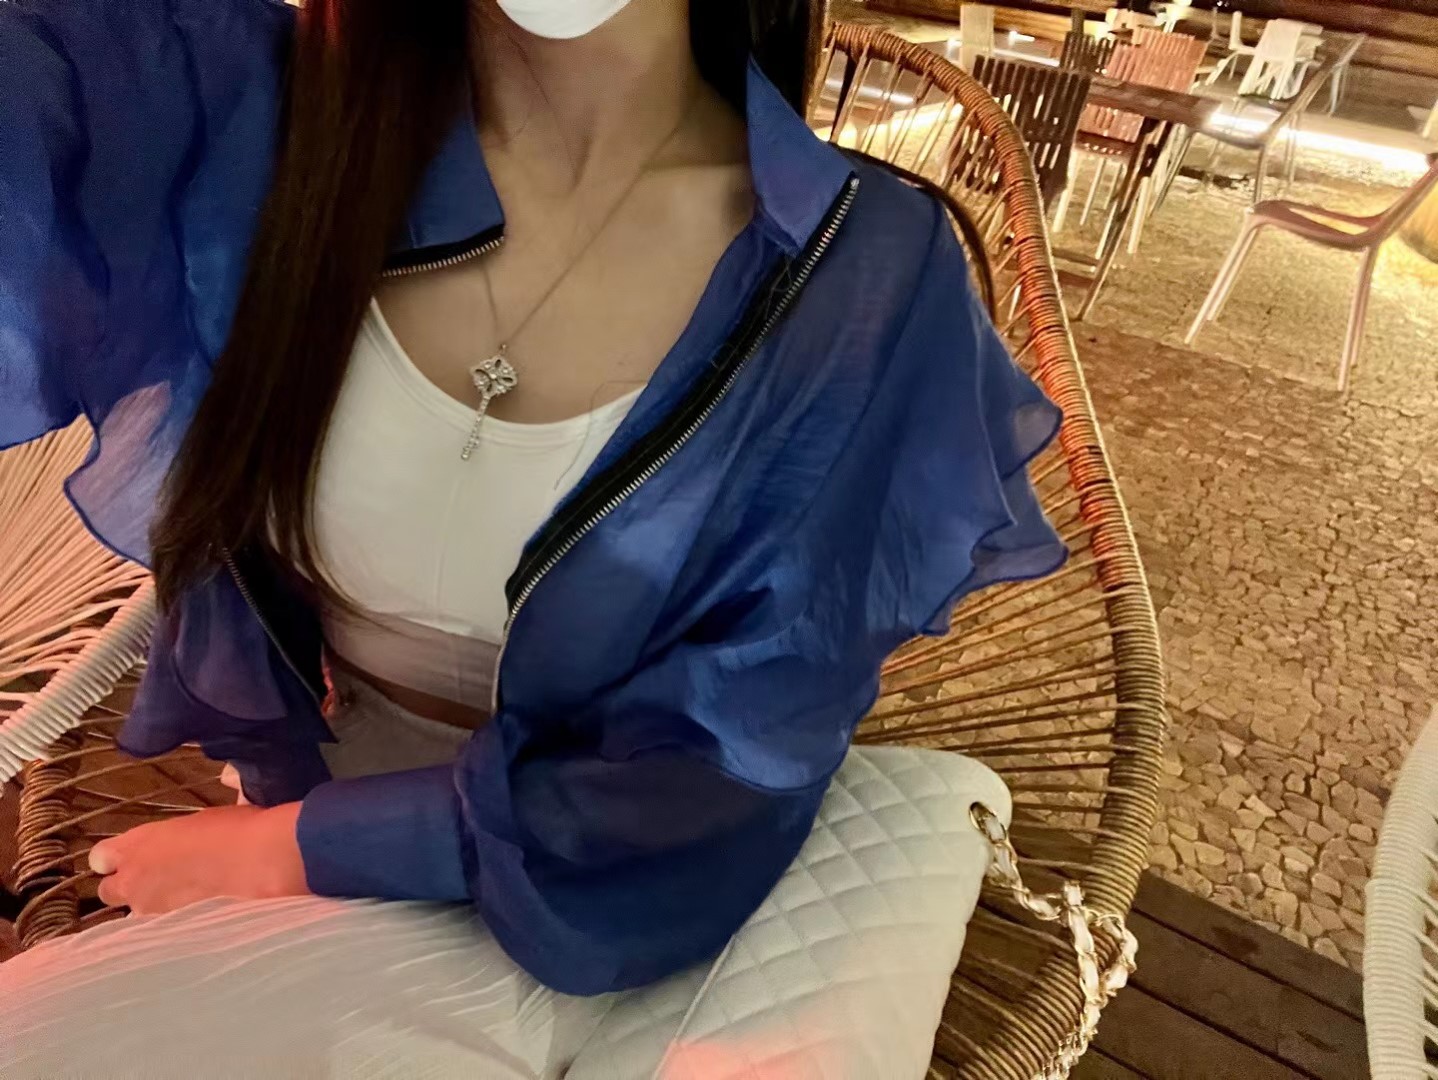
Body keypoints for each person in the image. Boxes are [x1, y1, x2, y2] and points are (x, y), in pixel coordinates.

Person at [0, 0, 1064, 1002]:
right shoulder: (265, 126)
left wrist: (298, 851)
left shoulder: (859, 273)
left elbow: (719, 767)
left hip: (603, 900)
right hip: (303, 792)